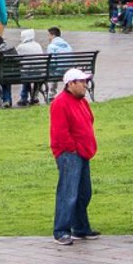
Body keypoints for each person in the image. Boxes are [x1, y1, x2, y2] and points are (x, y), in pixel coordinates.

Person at [49, 66, 97, 244]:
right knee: (68, 192)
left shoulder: (82, 101)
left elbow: (89, 121)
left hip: (82, 151)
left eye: (86, 81)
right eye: (82, 81)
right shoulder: (60, 102)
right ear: (71, 84)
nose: (86, 84)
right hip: (69, 153)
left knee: (84, 192)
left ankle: (80, 227)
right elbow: (60, 131)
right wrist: (72, 148)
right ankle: (61, 230)